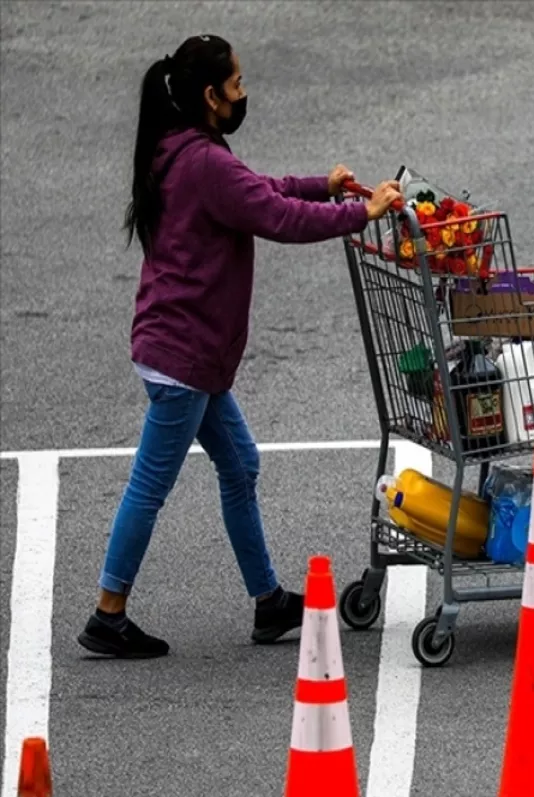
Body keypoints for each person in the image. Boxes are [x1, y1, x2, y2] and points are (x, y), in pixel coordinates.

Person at [78, 34, 402, 659]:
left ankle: (268, 602)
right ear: (210, 95)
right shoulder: (203, 163)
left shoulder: (179, 150)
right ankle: (107, 613)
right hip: (185, 359)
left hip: (181, 348)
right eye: (238, 85)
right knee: (151, 484)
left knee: (240, 463)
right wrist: (361, 214)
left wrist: (324, 184)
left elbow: (262, 189)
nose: (244, 94)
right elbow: (276, 217)